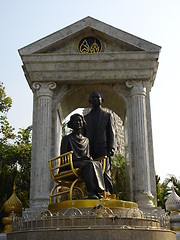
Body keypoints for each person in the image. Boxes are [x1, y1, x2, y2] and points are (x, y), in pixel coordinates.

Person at [60, 113, 105, 199]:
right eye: (75, 121)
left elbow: (87, 155)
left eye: (80, 120)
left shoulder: (86, 140)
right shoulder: (67, 138)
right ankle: (91, 192)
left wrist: (88, 158)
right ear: (71, 124)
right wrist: (80, 159)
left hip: (84, 164)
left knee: (97, 164)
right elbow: (63, 155)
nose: (78, 122)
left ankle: (99, 191)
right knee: (89, 164)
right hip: (71, 164)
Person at [84, 91, 115, 195]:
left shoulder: (107, 115)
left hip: (103, 147)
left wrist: (111, 147)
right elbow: (83, 134)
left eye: (98, 97)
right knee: (91, 170)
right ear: (89, 101)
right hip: (90, 149)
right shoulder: (85, 118)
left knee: (105, 171)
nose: (96, 99)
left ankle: (108, 191)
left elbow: (110, 132)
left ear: (102, 100)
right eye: (93, 98)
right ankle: (94, 192)